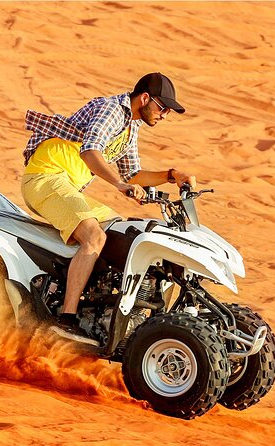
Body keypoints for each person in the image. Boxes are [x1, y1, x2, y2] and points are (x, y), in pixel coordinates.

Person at [21, 72, 196, 343]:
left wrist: (172, 175)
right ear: (145, 98)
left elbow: (133, 174)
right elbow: (90, 151)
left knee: (121, 233)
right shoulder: (112, 111)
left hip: (65, 186)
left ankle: (97, 307)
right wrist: (118, 185)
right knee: (94, 236)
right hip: (46, 177)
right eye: (162, 108)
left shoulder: (130, 127)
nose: (164, 115)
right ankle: (65, 320)